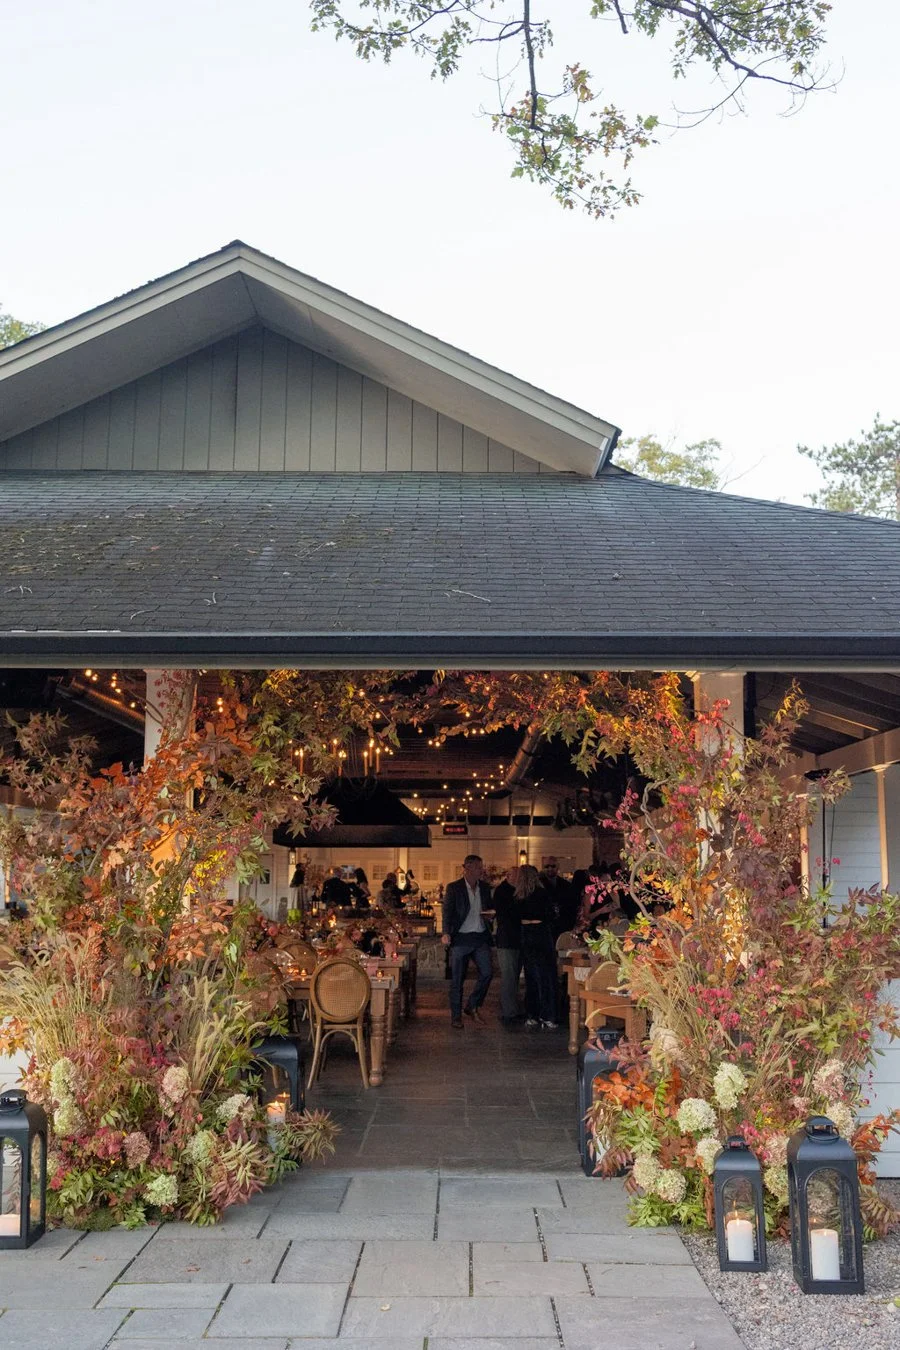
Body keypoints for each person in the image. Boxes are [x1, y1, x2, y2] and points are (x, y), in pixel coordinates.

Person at [441, 854, 495, 1029]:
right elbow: (447, 911)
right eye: (479, 867)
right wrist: (446, 932)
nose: (481, 870)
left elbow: (489, 907)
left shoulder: (484, 888)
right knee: (457, 979)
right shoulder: (454, 888)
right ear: (468, 868)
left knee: (487, 973)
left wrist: (491, 915)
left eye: (481, 867)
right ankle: (456, 1016)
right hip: (461, 937)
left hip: (480, 936)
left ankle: (472, 1004)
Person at [516, 864, 557, 1028]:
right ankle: (547, 1014)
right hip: (541, 932)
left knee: (531, 975)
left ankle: (531, 1013)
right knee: (546, 975)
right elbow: (551, 914)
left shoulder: (518, 896)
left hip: (525, 932)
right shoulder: (542, 893)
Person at [491, 866, 522, 1023]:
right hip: (507, 939)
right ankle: (509, 1011)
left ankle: (512, 1008)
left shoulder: (510, 890)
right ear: (510, 876)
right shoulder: (503, 892)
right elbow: (507, 915)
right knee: (509, 976)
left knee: (513, 975)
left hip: (514, 939)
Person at [540, 856, 578, 936]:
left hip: (563, 925)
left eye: (553, 866)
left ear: (557, 867)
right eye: (547, 866)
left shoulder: (566, 885)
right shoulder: (539, 885)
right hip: (546, 926)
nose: (550, 869)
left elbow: (571, 905)